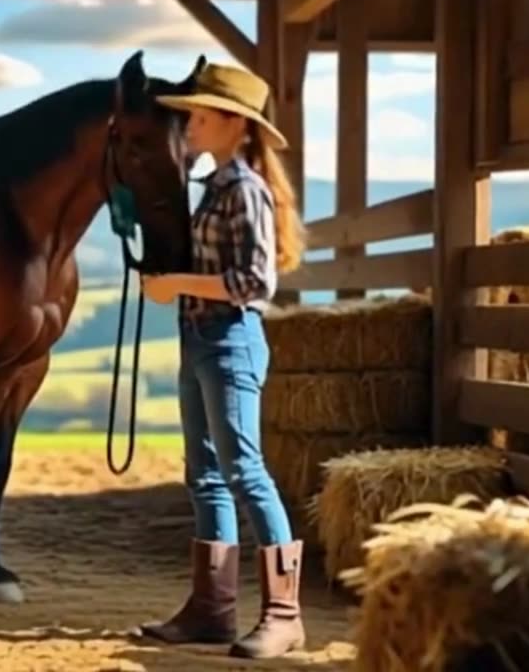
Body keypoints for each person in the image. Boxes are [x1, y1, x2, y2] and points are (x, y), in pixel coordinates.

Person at [135, 63, 307, 659]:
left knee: (245, 474)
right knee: (205, 475)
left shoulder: (245, 191)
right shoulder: (213, 187)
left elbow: (253, 281)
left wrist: (175, 283)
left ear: (235, 123)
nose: (191, 123)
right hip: (199, 339)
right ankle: (212, 611)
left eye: (201, 115)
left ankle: (284, 615)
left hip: (230, 339)